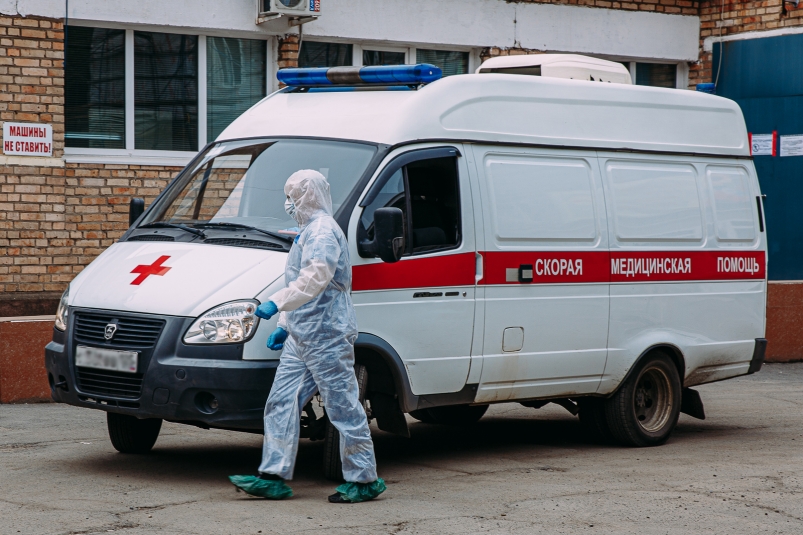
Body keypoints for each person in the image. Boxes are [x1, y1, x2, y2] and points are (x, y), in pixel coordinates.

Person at [229, 169, 385, 504]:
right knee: (281, 402)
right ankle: (273, 475)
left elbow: (314, 278)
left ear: (308, 196)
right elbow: (296, 280)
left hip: (327, 335)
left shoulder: (323, 232)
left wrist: (276, 303)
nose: (288, 203)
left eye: (293, 196)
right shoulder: (307, 232)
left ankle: (364, 479)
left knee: (342, 407)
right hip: (302, 336)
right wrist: (285, 324)